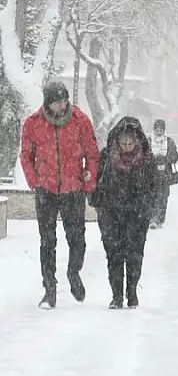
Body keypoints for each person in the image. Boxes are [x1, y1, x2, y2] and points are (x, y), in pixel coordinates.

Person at [19, 81, 99, 309]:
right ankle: (50, 289)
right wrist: (35, 182)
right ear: (47, 102)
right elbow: (26, 155)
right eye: (56, 102)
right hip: (46, 189)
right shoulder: (33, 123)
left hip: (73, 189)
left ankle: (74, 274)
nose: (61, 105)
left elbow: (92, 153)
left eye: (64, 100)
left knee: (77, 239)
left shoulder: (80, 120)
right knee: (47, 241)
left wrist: (88, 178)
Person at [89, 117, 159, 309]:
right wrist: (99, 205)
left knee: (135, 256)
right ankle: (116, 296)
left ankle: (132, 292)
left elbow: (154, 187)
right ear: (117, 141)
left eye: (130, 143)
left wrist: (147, 208)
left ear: (137, 142)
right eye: (123, 143)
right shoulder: (106, 157)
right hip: (111, 213)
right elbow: (96, 183)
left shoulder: (146, 160)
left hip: (137, 215)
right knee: (114, 255)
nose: (127, 147)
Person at [150, 119, 178, 228]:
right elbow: (143, 157)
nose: (159, 132)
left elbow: (175, 157)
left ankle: (161, 219)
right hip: (152, 174)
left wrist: (166, 158)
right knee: (151, 196)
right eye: (157, 129)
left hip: (165, 174)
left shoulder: (170, 142)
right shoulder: (148, 141)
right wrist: (153, 159)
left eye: (161, 129)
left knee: (163, 197)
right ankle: (152, 218)